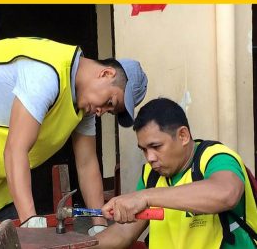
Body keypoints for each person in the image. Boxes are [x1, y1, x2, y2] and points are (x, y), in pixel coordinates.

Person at [0, 37, 148, 247]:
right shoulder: (47, 74)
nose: (102, 111)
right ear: (106, 73)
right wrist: (31, 223)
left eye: (110, 111)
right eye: (110, 102)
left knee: (7, 237)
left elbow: (87, 163)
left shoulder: (85, 104)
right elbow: (15, 150)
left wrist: (99, 225)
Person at [94, 98, 257, 249]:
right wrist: (79, 245)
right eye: (144, 149)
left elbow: (226, 193)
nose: (149, 158)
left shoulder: (215, 157)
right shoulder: (151, 175)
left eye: (156, 146)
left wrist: (146, 196)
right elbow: (124, 233)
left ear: (183, 135)